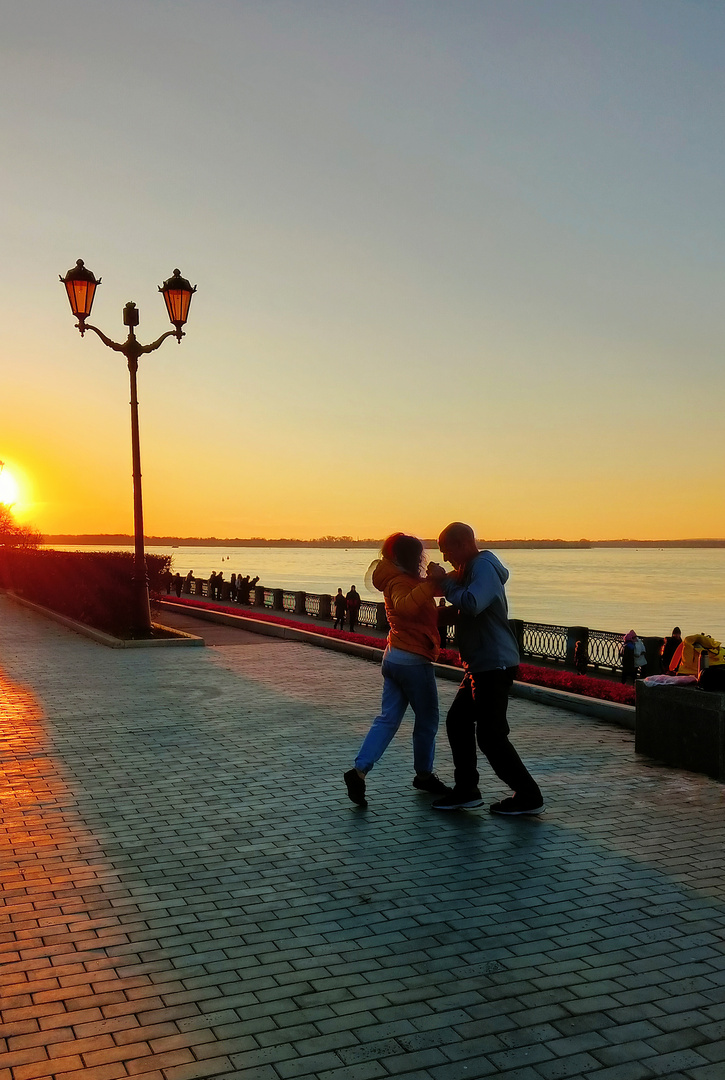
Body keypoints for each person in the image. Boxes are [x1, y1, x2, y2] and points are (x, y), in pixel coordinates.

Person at [426, 522, 545, 815]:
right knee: (457, 722)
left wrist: (445, 583)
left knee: (491, 736)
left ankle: (529, 796)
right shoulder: (470, 570)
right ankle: (467, 790)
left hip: (495, 664)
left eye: (447, 551)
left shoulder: (483, 567)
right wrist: (428, 614)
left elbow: (473, 602)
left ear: (464, 544)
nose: (445, 559)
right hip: (481, 665)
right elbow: (462, 609)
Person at [344, 533, 450, 808]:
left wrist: (448, 577)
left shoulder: (397, 577)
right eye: (419, 556)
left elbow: (427, 590)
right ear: (411, 557)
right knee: (427, 720)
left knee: (388, 719)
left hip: (394, 657)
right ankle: (424, 775)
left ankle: (359, 771)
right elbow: (406, 605)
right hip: (413, 661)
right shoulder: (398, 581)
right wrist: (432, 583)